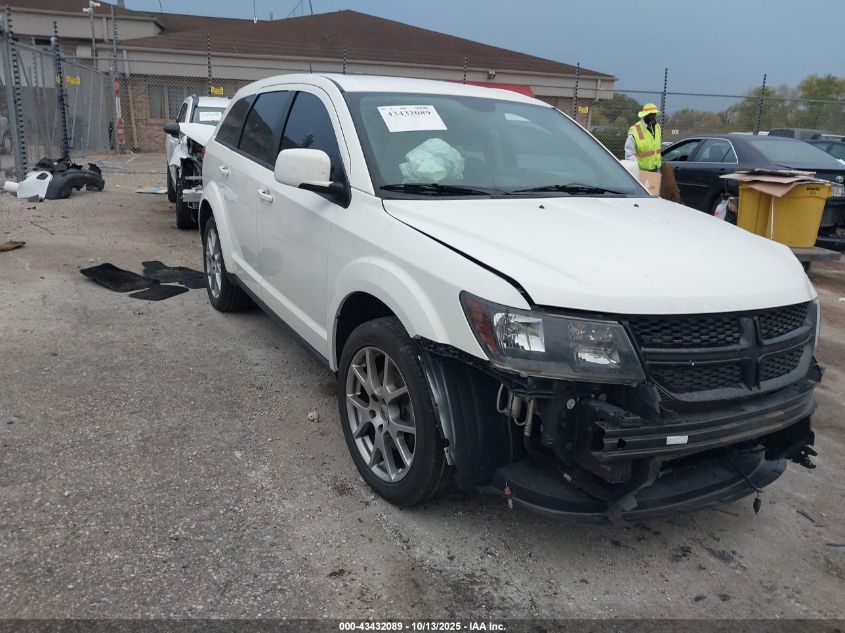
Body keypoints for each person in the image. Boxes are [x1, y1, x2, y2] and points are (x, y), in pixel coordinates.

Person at [625, 103, 662, 172]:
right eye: (651, 114)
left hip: (656, 169)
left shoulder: (657, 127)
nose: (654, 116)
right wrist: (635, 169)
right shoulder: (635, 130)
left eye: (654, 114)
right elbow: (629, 154)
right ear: (645, 115)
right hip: (641, 171)